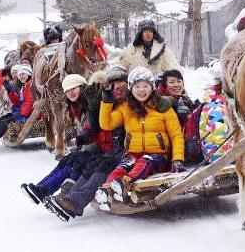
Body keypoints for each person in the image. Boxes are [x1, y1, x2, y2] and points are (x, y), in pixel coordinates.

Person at [44, 66, 131, 220]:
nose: (118, 87)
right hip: (110, 147)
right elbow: (102, 124)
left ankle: (73, 200)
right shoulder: (110, 104)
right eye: (113, 84)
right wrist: (96, 106)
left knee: (100, 164)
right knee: (89, 163)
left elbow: (104, 127)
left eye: (122, 82)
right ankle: (68, 197)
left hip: (122, 149)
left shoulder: (129, 103)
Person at [93, 66, 185, 210]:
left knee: (144, 162)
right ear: (131, 88)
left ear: (152, 87)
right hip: (132, 153)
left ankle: (123, 184)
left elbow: (176, 135)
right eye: (137, 86)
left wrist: (177, 159)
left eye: (145, 86)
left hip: (157, 156)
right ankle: (107, 191)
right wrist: (107, 100)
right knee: (121, 168)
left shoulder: (163, 107)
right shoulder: (126, 107)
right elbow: (107, 124)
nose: (141, 90)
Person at [20, 74, 98, 203]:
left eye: (74, 88)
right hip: (87, 145)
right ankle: (40, 187)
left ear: (82, 86)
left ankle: (44, 190)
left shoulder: (89, 103)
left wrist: (83, 146)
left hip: (96, 147)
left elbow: (93, 129)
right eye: (67, 91)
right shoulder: (76, 105)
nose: (71, 93)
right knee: (64, 162)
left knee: (72, 165)